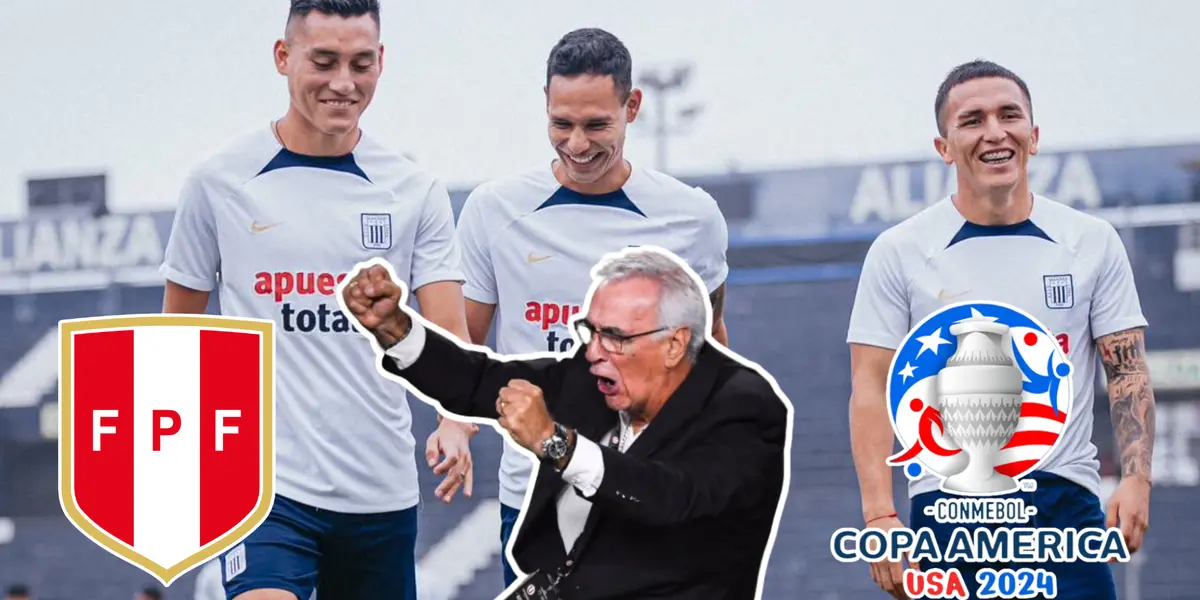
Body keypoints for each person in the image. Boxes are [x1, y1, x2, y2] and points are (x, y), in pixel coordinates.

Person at [158, 1, 475, 598]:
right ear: (283, 58)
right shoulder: (219, 181)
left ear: (381, 62)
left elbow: (450, 339)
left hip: (380, 493)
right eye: (323, 61)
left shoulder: (415, 191)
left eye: (360, 64)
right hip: (263, 489)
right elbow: (176, 332)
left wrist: (455, 422)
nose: (342, 83)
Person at [846, 59, 1156, 600]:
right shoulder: (899, 252)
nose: (994, 132)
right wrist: (880, 517)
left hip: (1065, 514)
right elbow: (871, 389)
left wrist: (1137, 478)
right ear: (944, 146)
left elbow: (1126, 368)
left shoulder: (1092, 241)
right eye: (972, 120)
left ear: (1033, 137)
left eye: (1009, 115)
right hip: (948, 513)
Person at [437, 26, 732, 588]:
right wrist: (454, 423)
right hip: (537, 499)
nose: (577, 145)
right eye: (561, 124)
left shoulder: (691, 217)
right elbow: (466, 344)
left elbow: (711, 342)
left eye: (597, 125)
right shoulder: (494, 211)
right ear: (544, 106)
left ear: (633, 106)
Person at [340, 247, 790, 600]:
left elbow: (671, 497)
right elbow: (481, 381)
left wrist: (557, 444)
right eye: (589, 332)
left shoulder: (745, 408)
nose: (593, 351)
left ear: (674, 344)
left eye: (613, 336)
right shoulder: (591, 376)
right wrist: (397, 331)